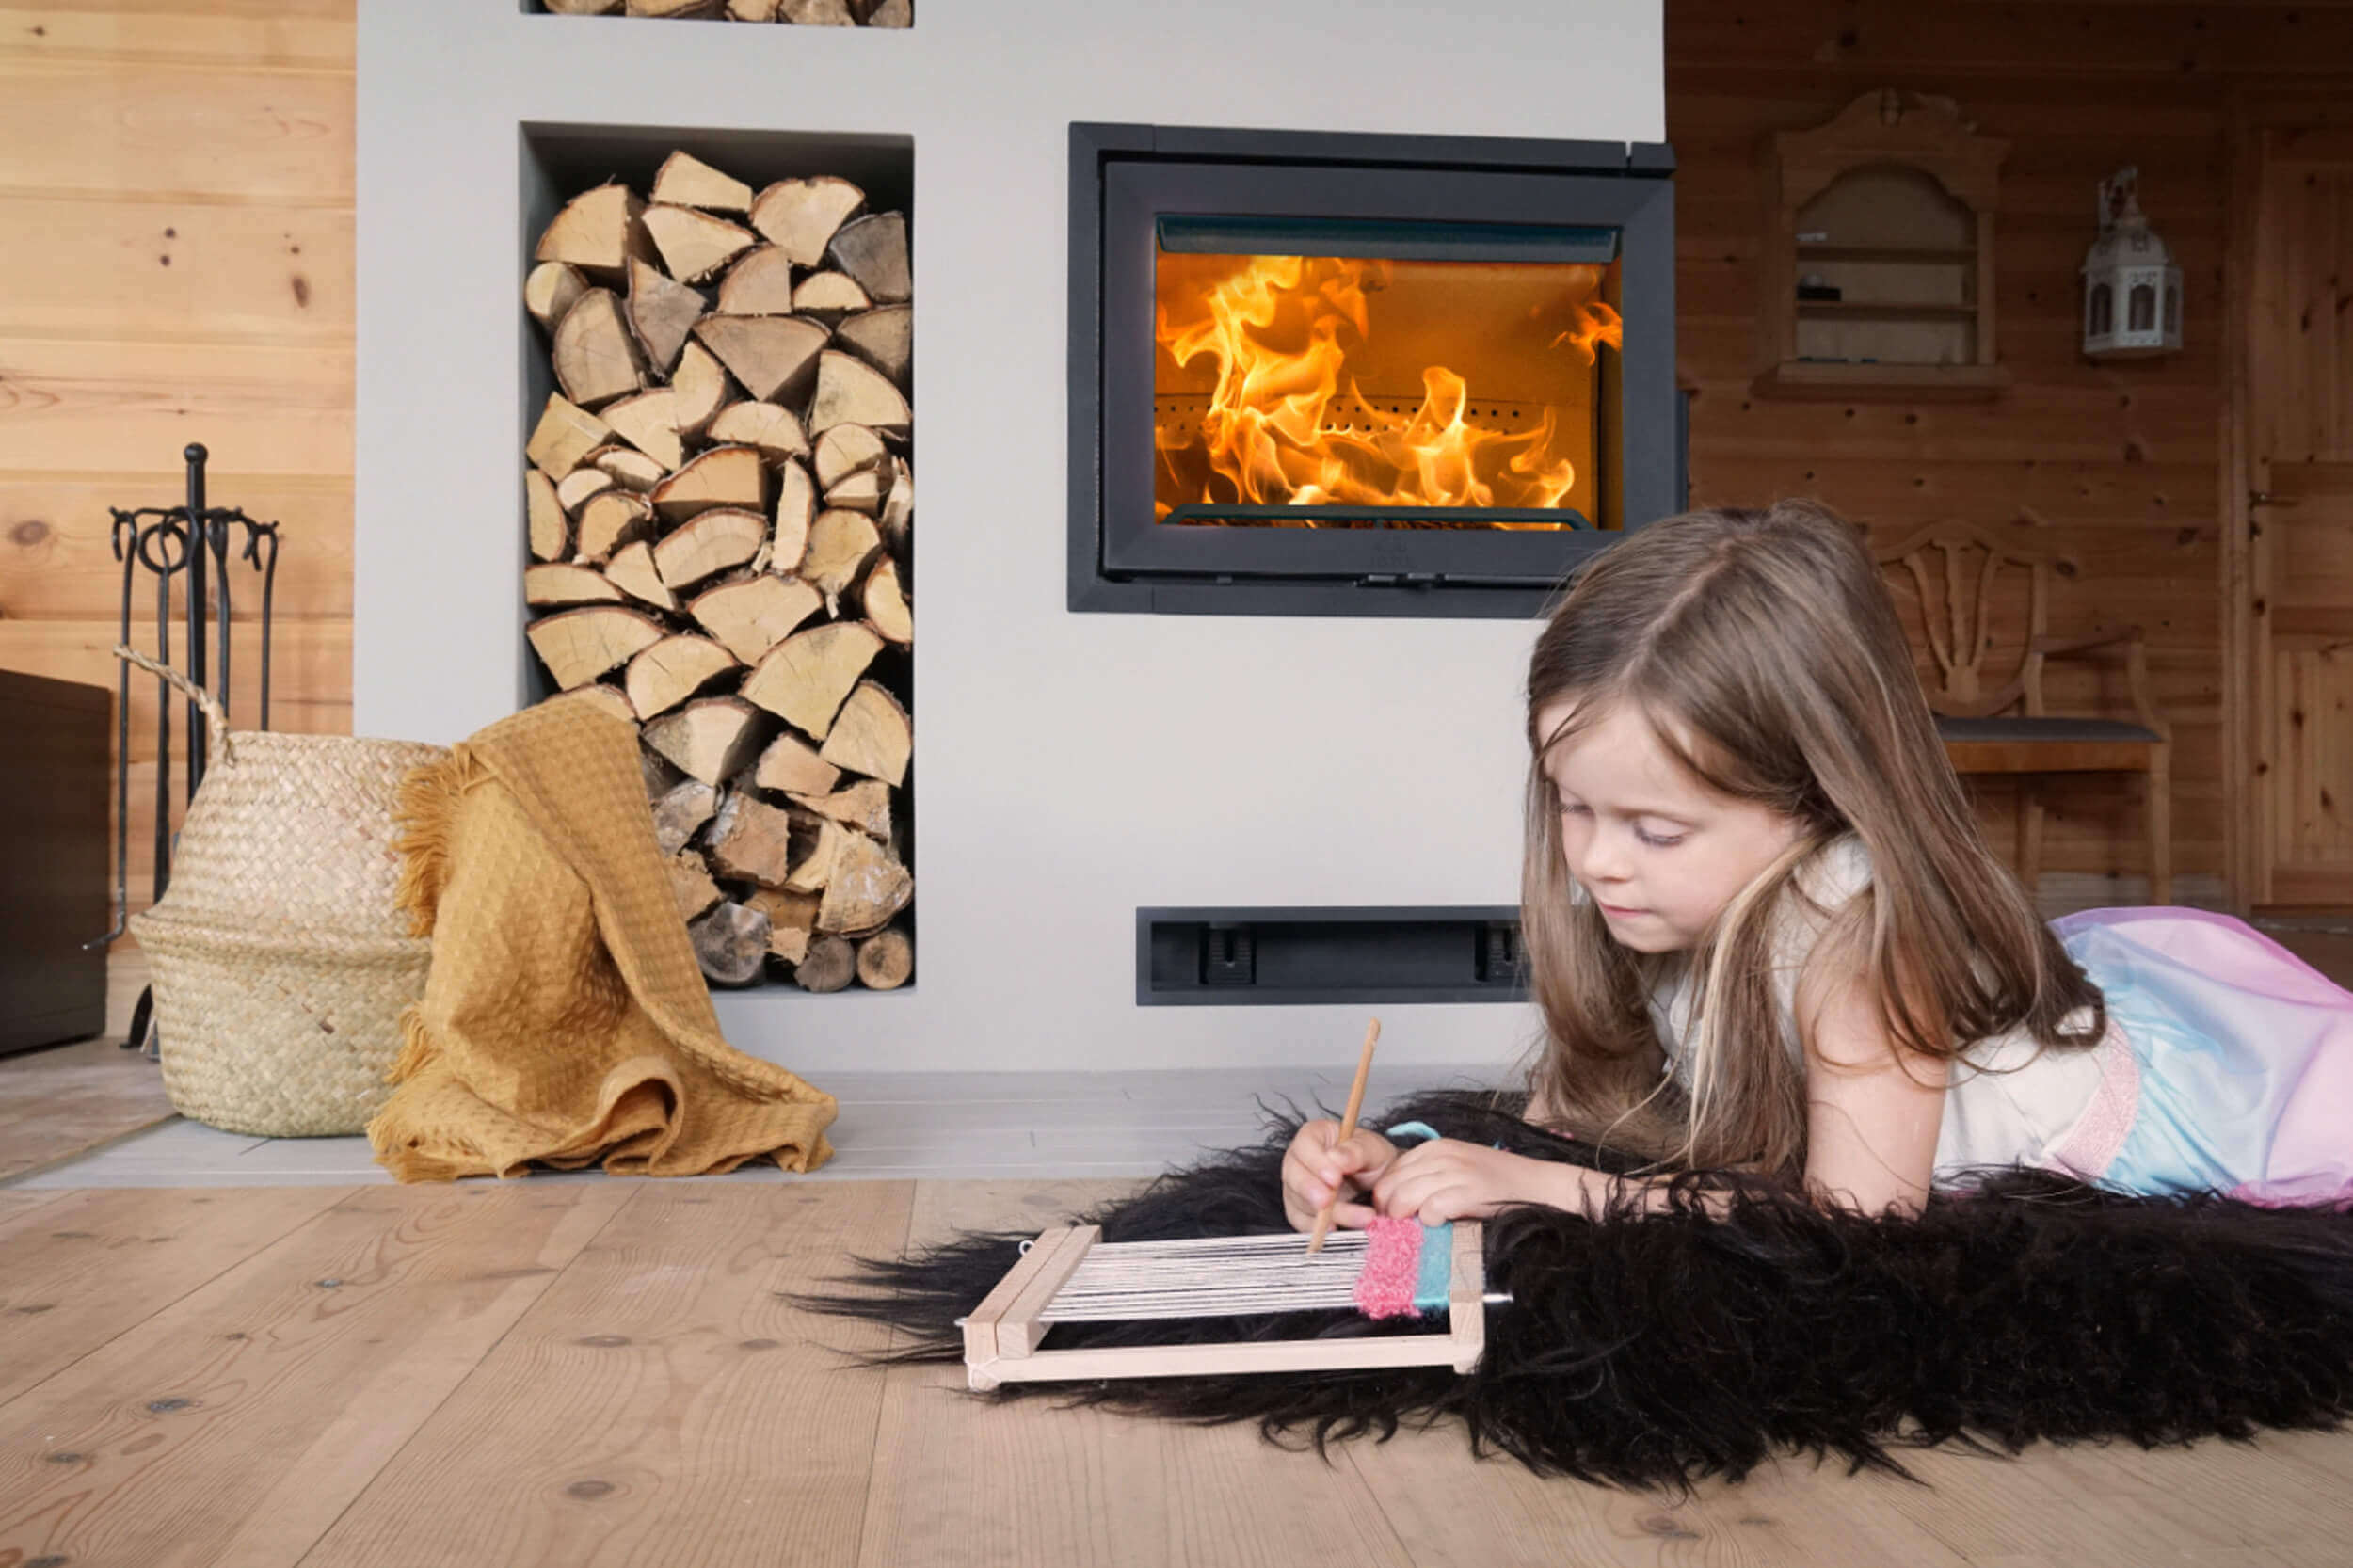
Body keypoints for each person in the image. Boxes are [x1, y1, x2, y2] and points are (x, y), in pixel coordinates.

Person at [1282, 500, 2353, 1229]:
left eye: (1656, 831)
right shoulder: (1661, 910)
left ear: (1812, 802)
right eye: (1572, 807)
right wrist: (1392, 1164)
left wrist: (1536, 1190)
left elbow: (1856, 1225)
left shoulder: (1859, 959)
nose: (1599, 862)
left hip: (2207, 1115)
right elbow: (1570, 1127)